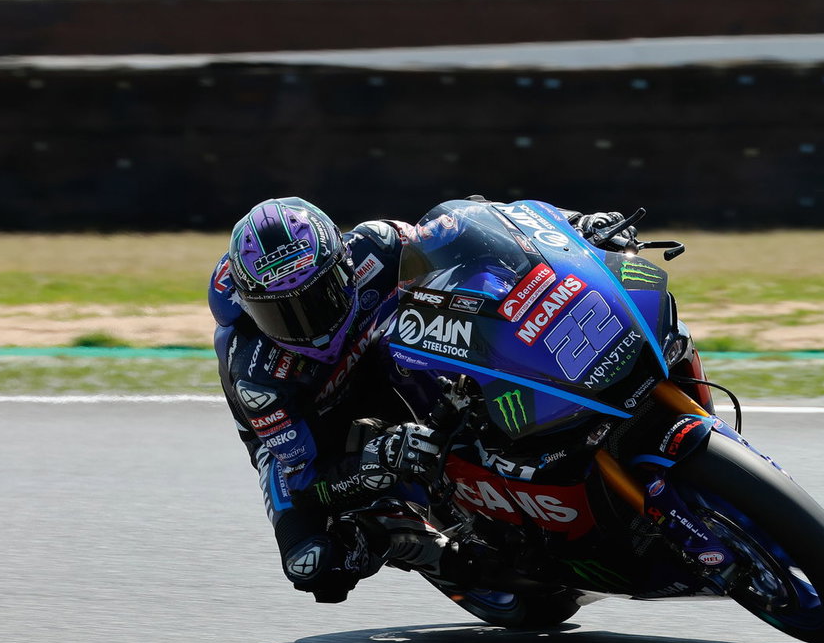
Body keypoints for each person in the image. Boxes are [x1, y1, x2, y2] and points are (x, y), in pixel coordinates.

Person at [208, 195, 637, 603]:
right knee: (313, 565)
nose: (307, 324)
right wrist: (378, 458)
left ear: (343, 266)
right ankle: (411, 542)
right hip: (313, 428)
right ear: (250, 308)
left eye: (318, 297)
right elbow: (303, 481)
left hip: (395, 357)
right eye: (280, 313)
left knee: (431, 320)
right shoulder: (258, 375)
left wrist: (577, 225)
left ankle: (524, 425)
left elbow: (479, 227)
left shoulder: (378, 245)